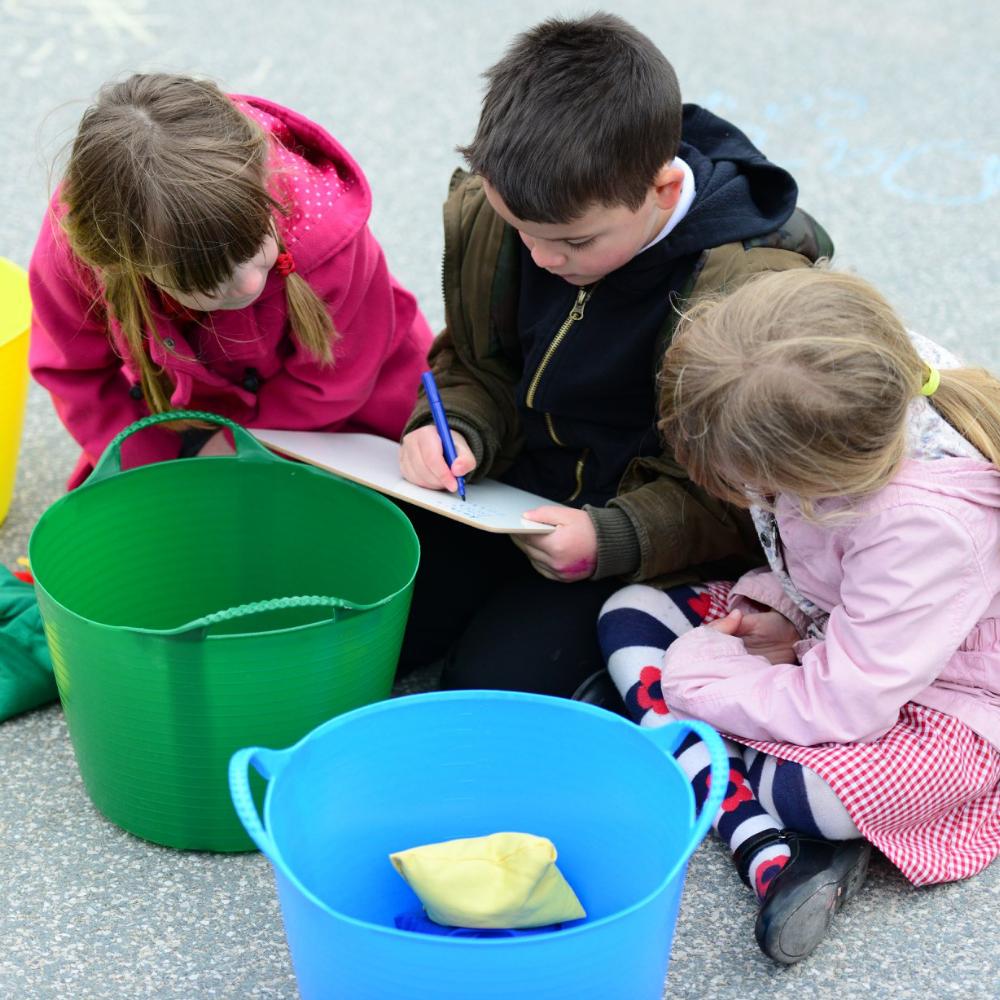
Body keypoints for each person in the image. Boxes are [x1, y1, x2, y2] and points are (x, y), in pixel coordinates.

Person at [396, 13, 832, 694]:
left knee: (497, 685)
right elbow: (476, 364)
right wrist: (455, 427)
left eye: (573, 243)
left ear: (660, 191)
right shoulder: (520, 203)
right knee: (385, 609)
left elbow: (742, 493)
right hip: (503, 493)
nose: (542, 256)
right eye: (522, 231)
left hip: (644, 533)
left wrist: (615, 538)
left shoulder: (747, 290)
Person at [598, 267, 1000, 963]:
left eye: (757, 482)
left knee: (811, 793)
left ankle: (762, 826)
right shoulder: (847, 385)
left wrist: (696, 677)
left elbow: (848, 703)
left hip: (956, 698)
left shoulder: (923, 525)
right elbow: (822, 569)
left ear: (816, 476)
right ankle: (739, 785)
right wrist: (786, 616)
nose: (747, 493)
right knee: (631, 610)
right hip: (852, 637)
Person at [29, 73, 432, 489]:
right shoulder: (79, 245)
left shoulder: (326, 233)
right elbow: (75, 376)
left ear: (262, 179)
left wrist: (233, 449)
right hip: (180, 415)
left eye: (255, 245)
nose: (247, 285)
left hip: (341, 417)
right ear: (128, 263)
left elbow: (336, 382)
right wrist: (151, 467)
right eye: (208, 283)